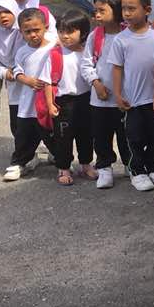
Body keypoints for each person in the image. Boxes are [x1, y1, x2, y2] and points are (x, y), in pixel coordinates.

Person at [111, 0, 154, 193]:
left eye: (132, 8)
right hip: (133, 101)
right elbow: (117, 68)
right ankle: (137, 170)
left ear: (147, 9)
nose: (127, 13)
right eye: (124, 9)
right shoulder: (121, 39)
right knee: (135, 138)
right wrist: (118, 94)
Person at [2, 8, 59, 182]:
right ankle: (19, 163)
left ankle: (62, 161)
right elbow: (17, 72)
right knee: (24, 136)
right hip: (28, 105)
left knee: (54, 135)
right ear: (21, 32)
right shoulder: (22, 52)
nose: (33, 35)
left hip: (49, 102)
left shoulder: (54, 47)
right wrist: (28, 81)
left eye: (36, 30)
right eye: (28, 32)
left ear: (45, 27)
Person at [81, 0, 129, 190]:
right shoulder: (95, 36)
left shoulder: (128, 35)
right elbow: (86, 64)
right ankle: (105, 167)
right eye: (95, 11)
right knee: (101, 136)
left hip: (125, 98)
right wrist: (96, 83)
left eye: (102, 11)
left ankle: (131, 164)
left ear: (117, 10)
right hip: (100, 100)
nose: (97, 15)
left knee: (127, 135)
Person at [54, 10, 95, 181]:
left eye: (70, 31)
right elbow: (47, 81)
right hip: (63, 101)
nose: (65, 36)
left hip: (86, 99)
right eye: (61, 31)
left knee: (86, 134)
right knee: (64, 136)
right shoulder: (56, 53)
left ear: (83, 32)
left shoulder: (88, 52)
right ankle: (63, 168)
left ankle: (86, 164)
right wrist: (50, 103)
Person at [0, 0, 23, 148]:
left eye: (7, 11)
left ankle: (52, 152)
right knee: (18, 124)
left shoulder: (25, 31)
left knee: (41, 121)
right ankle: (24, 154)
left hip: (33, 85)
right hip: (14, 88)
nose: (3, 16)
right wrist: (4, 72)